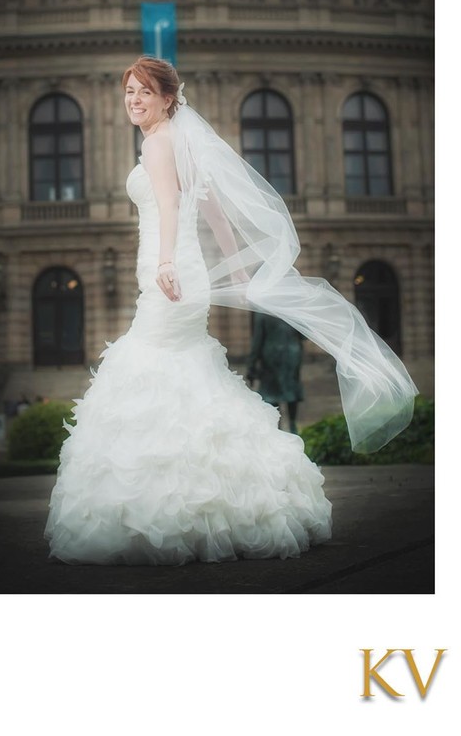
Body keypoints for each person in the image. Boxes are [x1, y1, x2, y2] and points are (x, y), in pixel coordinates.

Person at [44, 56, 417, 566]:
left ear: (168, 98)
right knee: (187, 372)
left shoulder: (158, 144)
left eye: (144, 93)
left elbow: (174, 207)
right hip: (186, 274)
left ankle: (170, 504)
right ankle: (232, 493)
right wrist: (237, 269)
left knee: (146, 369)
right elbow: (214, 205)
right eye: (128, 91)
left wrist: (168, 260)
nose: (134, 100)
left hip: (170, 275)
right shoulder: (183, 141)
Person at [248, 312, 304, 434]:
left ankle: (276, 426)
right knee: (291, 391)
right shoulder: (293, 310)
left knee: (271, 393)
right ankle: (293, 425)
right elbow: (304, 335)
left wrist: (251, 365)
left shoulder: (263, 313)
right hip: (292, 353)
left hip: (272, 356)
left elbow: (257, 341)